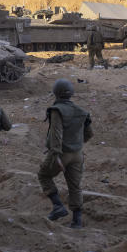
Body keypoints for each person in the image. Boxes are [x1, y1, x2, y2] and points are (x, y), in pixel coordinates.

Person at [38, 78, 93, 228]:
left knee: (43, 175)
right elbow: (89, 134)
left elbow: (56, 132)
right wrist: (77, 144)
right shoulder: (82, 112)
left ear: (56, 93)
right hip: (77, 154)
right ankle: (77, 221)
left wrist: (55, 153)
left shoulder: (57, 110)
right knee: (75, 186)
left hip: (61, 153)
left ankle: (57, 206)